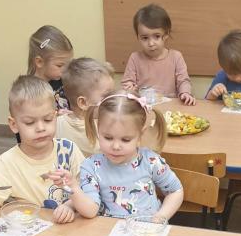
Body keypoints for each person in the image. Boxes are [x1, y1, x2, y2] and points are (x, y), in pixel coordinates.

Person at [0, 76, 84, 222]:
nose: (41, 128)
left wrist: (70, 206)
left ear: (55, 117)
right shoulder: (7, 162)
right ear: (14, 125)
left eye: (48, 119)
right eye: (30, 123)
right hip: (33, 228)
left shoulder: (69, 150)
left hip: (73, 227)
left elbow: (89, 190)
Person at [57, 92, 184, 220]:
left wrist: (161, 217)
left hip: (147, 229)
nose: (116, 146)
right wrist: (73, 187)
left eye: (125, 140)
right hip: (106, 231)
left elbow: (175, 191)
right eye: (108, 137)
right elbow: (90, 211)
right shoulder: (91, 167)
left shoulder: (151, 161)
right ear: (98, 130)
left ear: (140, 135)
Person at [121, 4, 196, 106]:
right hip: (143, 107)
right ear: (138, 37)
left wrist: (185, 93)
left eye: (156, 36)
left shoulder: (176, 57)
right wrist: (129, 89)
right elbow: (127, 84)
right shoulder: (135, 58)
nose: (151, 43)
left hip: (170, 108)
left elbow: (183, 81)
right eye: (145, 38)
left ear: (166, 34)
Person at [57, 57, 115, 156]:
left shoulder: (57, 124)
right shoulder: (105, 127)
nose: (113, 99)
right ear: (83, 103)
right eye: (107, 95)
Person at [27, 25, 74, 111]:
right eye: (59, 65)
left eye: (68, 64)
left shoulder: (63, 80)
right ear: (39, 62)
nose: (65, 70)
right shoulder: (30, 91)